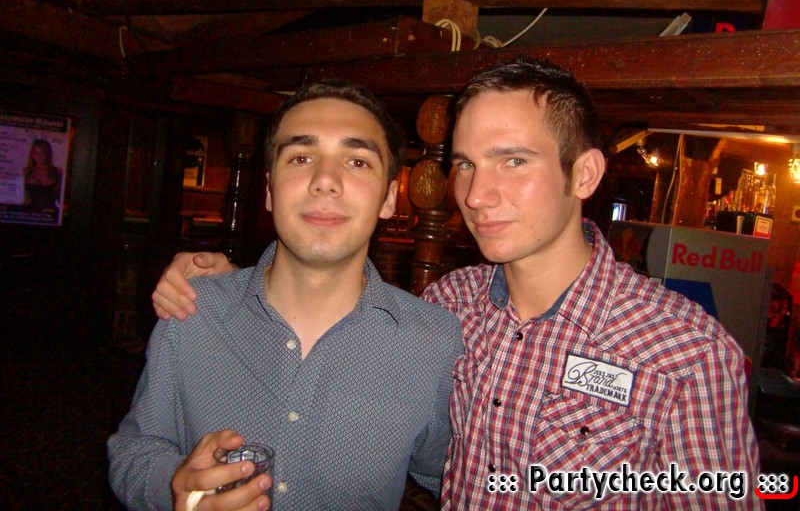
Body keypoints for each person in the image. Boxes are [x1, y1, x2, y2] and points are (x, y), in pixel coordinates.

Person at [153, 59, 763, 509]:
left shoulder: (688, 354)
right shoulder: (451, 308)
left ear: (584, 174)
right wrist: (231, 283)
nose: (475, 195)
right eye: (467, 164)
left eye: (513, 161)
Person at [109, 80, 464, 511]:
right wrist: (173, 486)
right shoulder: (191, 311)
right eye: (301, 157)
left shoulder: (434, 342)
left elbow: (462, 479)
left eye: (357, 161)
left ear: (389, 198)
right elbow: (133, 449)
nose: (325, 181)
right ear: (270, 190)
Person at [23, 138, 62, 209]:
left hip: (50, 212)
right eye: (36, 153)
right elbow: (24, 197)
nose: (39, 157)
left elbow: (61, 198)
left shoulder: (57, 172)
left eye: (42, 153)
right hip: (32, 211)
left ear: (48, 154)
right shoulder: (27, 171)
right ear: (32, 154)